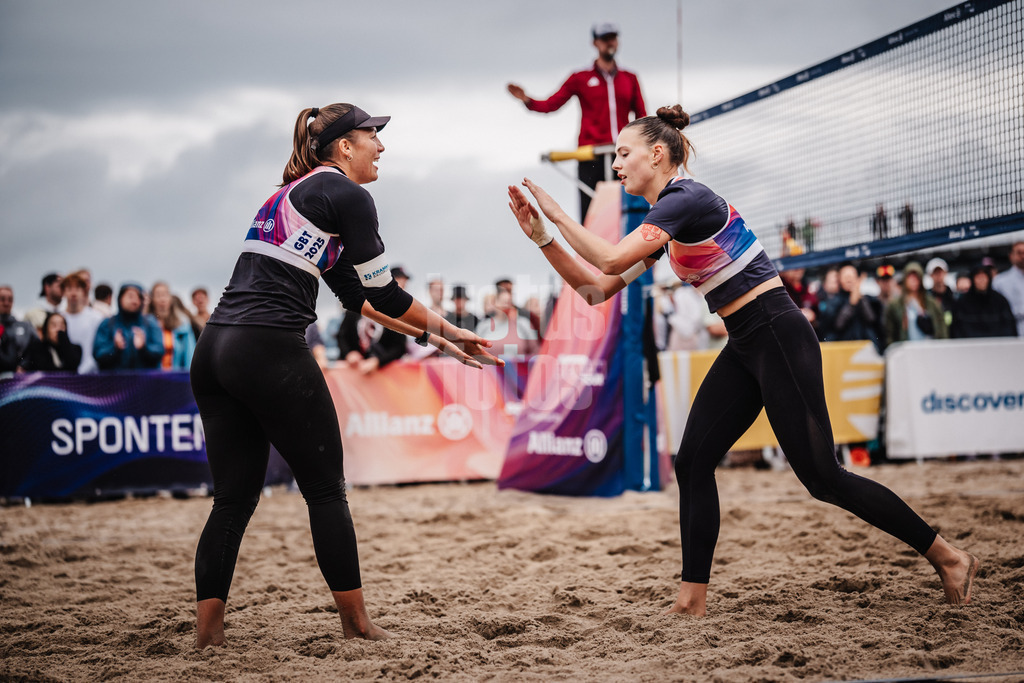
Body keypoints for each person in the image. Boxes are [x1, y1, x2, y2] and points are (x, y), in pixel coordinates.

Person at [507, 104, 977, 617]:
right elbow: (597, 289)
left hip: (777, 330)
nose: (616, 165)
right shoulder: (668, 218)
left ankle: (947, 556)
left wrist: (557, 212)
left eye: (623, 154)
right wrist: (542, 236)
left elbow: (609, 259)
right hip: (745, 340)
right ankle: (691, 600)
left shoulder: (686, 197)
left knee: (824, 477)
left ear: (658, 154)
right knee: (692, 462)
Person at [189, 102, 501, 649]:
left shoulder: (292, 196)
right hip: (268, 348)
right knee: (326, 491)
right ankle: (357, 625)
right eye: (372, 136)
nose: (382, 146)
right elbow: (384, 294)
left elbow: (360, 302)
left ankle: (208, 634)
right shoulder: (350, 196)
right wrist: (453, 328)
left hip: (214, 348)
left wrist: (441, 339)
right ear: (344, 147)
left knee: (232, 500)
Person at [507, 22, 646, 221]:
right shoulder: (580, 78)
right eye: (605, 39)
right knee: (591, 215)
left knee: (631, 213)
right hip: (590, 156)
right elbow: (551, 104)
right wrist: (528, 101)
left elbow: (642, 117)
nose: (610, 43)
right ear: (595, 43)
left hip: (623, 155)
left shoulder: (629, 78)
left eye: (613, 38)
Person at [93, 282, 165, 371]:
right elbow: (98, 354)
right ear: (120, 299)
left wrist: (144, 348)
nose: (134, 301)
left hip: (146, 382)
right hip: (114, 382)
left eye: (138, 297)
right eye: (130, 297)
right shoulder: (108, 324)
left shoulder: (150, 323)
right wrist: (114, 348)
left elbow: (159, 351)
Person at [883, 262, 948, 347]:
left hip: (929, 349)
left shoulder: (932, 303)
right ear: (905, 279)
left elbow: (941, 329)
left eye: (916, 277)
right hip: (906, 350)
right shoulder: (895, 305)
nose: (913, 280)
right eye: (910, 277)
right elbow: (889, 333)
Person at [825, 263, 884, 353]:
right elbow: (837, 325)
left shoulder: (868, 299)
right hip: (843, 351)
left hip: (867, 349)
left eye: (852, 276)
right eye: (845, 277)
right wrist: (851, 304)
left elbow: (872, 320)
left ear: (857, 278)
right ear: (840, 280)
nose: (849, 279)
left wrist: (860, 298)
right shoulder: (833, 301)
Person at [950, 264, 1018, 339]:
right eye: (978, 277)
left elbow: (1009, 327)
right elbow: (957, 329)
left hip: (998, 346)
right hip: (970, 346)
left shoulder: (1000, 301)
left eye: (984, 277)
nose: (981, 280)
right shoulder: (962, 303)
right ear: (973, 279)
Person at [146, 281, 196, 370]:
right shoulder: (145, 324)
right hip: (150, 379)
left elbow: (190, 356)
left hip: (175, 378)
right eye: (158, 295)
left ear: (170, 299)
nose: (162, 299)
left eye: (165, 295)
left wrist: (188, 378)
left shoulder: (183, 326)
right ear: (152, 299)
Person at [61, 272, 105, 374]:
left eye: (77, 288)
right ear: (64, 292)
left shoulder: (96, 318)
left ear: (84, 292)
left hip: (92, 376)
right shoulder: (58, 320)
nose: (73, 293)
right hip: (65, 378)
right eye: (69, 288)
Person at [0, 285, 38, 375]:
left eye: (10, 299)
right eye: (2, 299)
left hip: (20, 378)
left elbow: (35, 349)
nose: (6, 303)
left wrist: (24, 365)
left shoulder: (25, 327)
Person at [992, 240, 1024, 337]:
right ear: (1011, 256)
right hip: (1011, 331)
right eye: (1019, 253)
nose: (1023, 256)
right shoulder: (1000, 281)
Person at [926, 257, 955, 328]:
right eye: (935, 273)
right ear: (930, 275)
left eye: (941, 272)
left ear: (946, 273)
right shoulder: (926, 298)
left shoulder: (954, 297)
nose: (939, 275)